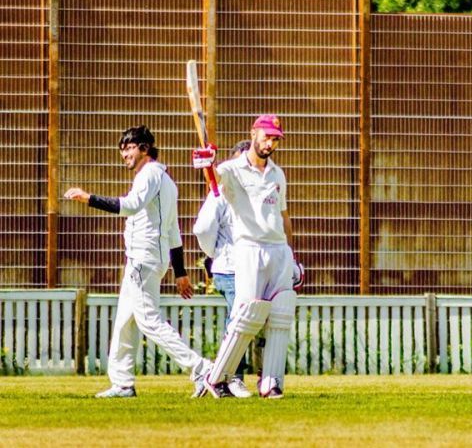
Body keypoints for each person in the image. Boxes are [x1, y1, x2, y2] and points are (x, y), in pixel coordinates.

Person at [64, 125, 211, 398]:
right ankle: (122, 383)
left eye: (129, 148)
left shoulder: (150, 175)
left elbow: (130, 205)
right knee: (124, 322)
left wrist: (89, 198)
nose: (124, 155)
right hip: (144, 260)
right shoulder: (166, 180)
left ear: (144, 148)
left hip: (143, 260)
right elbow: (173, 231)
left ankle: (202, 368)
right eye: (122, 150)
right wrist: (180, 272)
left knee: (149, 322)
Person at [192, 114, 301, 399]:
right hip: (249, 248)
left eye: (276, 138)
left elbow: (283, 216)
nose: (271, 142)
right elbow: (214, 180)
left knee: (282, 312)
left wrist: (292, 254)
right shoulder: (233, 168)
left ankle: (271, 382)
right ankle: (216, 378)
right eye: (266, 136)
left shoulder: (277, 173)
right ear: (254, 133)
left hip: (278, 250)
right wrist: (207, 162)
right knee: (246, 315)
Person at [192, 139, 253, 398]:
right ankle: (230, 378)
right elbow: (203, 229)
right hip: (230, 269)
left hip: (251, 267)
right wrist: (216, 253)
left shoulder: (256, 192)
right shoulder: (219, 194)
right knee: (237, 322)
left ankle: (223, 375)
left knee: (247, 322)